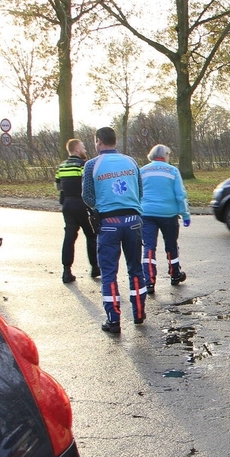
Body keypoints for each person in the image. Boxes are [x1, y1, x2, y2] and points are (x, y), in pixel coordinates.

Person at [82, 127, 146, 334]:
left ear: (98, 141)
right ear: (115, 141)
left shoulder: (92, 165)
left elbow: (87, 196)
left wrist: (101, 206)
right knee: (135, 268)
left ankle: (114, 319)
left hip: (108, 221)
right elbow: (140, 191)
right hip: (133, 219)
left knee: (109, 272)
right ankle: (138, 313)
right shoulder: (131, 162)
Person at [139, 144, 190, 294]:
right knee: (171, 245)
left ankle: (148, 281)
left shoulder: (142, 171)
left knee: (149, 247)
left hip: (146, 213)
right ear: (165, 155)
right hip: (168, 214)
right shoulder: (172, 171)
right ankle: (175, 275)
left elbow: (137, 192)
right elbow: (180, 194)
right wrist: (185, 214)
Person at [55, 138, 99, 283]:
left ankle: (66, 270)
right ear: (76, 149)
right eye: (82, 147)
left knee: (69, 237)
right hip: (82, 204)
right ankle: (95, 267)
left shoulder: (61, 167)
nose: (84, 150)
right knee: (91, 235)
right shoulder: (83, 165)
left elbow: (58, 186)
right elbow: (88, 185)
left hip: (67, 204)